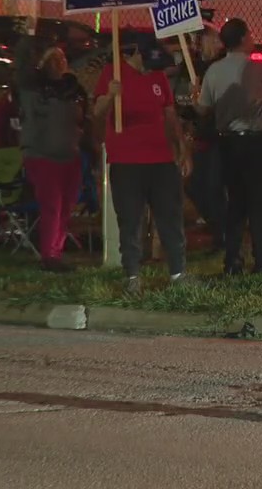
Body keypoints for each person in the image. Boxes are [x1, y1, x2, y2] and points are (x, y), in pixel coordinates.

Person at [196, 18, 262, 275]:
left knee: (236, 201)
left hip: (227, 144)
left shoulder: (214, 71)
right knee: (261, 201)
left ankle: (233, 259)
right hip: (256, 143)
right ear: (244, 38)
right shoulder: (259, 68)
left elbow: (203, 109)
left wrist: (195, 96)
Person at [94, 36, 192, 295]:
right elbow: (96, 114)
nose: (151, 69)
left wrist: (180, 148)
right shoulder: (112, 74)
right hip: (127, 161)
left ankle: (178, 273)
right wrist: (108, 97)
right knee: (131, 220)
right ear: (137, 53)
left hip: (161, 160)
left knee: (170, 217)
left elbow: (170, 115)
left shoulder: (158, 77)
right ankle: (132, 276)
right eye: (147, 63)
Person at [15, 20, 87, 273]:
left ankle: (57, 249)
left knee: (66, 206)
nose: (60, 65)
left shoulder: (72, 90)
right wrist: (30, 34)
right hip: (42, 155)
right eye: (53, 61)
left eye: (62, 60)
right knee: (52, 205)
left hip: (70, 155)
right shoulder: (34, 89)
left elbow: (83, 119)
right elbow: (23, 69)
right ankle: (49, 255)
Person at [179, 26, 227, 256]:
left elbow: (209, 106)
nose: (198, 44)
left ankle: (223, 237)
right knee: (195, 186)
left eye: (202, 40)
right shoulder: (198, 67)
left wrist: (198, 100)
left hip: (219, 136)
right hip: (203, 136)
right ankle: (220, 230)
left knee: (212, 187)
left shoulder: (221, 67)